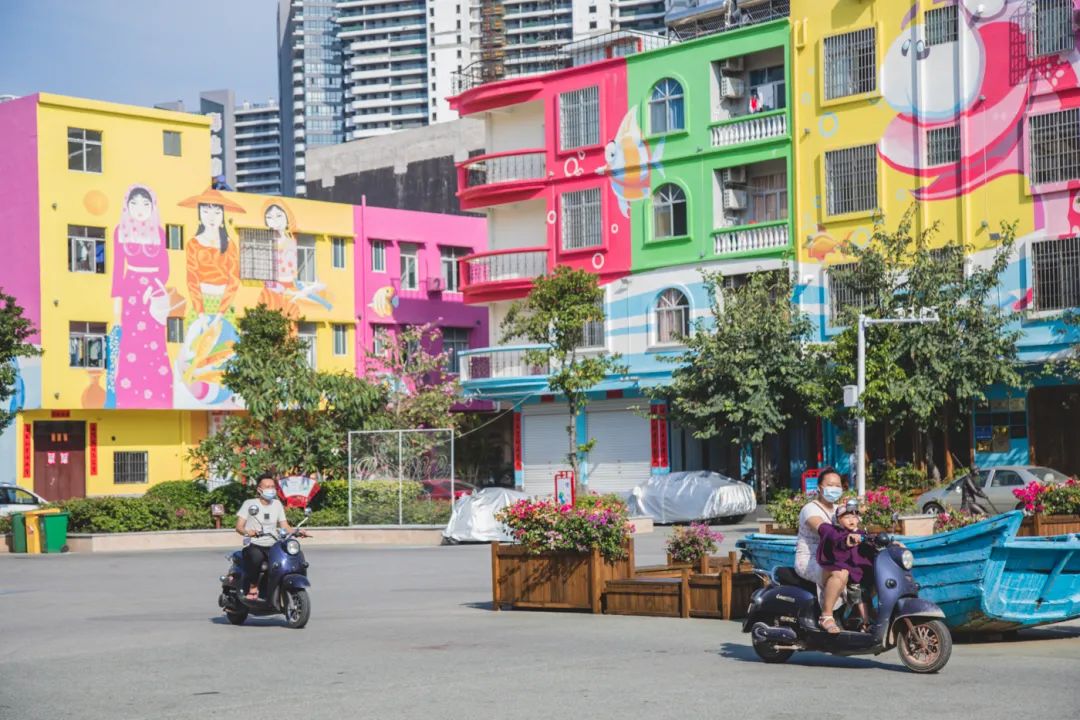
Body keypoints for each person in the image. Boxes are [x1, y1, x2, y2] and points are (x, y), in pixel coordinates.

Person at [794, 468, 849, 633]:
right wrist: (830, 530)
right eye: (830, 484)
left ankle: (863, 615)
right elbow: (820, 526)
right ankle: (826, 616)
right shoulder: (810, 509)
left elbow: (856, 527)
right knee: (840, 572)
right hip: (811, 560)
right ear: (820, 487)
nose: (834, 488)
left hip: (835, 557)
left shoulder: (840, 509)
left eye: (837, 485)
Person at [235, 475, 307, 600]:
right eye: (267, 487)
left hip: (273, 544)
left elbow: (284, 525)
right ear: (259, 490)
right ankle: (253, 586)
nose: (271, 489)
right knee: (256, 558)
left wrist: (297, 531)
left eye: (273, 486)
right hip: (254, 544)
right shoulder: (250, 504)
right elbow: (239, 527)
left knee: (290, 557)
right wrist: (248, 532)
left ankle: (277, 588)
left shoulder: (277, 504)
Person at [816, 500, 876, 632]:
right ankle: (864, 622)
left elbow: (873, 543)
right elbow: (836, 540)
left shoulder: (862, 534)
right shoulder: (834, 531)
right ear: (838, 519)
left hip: (862, 573)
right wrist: (847, 540)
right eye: (847, 517)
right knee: (859, 593)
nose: (851, 520)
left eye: (854, 516)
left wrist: (892, 543)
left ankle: (866, 619)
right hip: (844, 573)